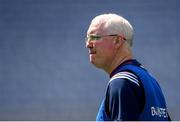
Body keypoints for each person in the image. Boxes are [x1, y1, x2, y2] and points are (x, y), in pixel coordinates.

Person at [85, 13, 171, 121]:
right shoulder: (150, 81)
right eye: (87, 38)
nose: (88, 44)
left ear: (117, 41)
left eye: (94, 37)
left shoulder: (122, 82)